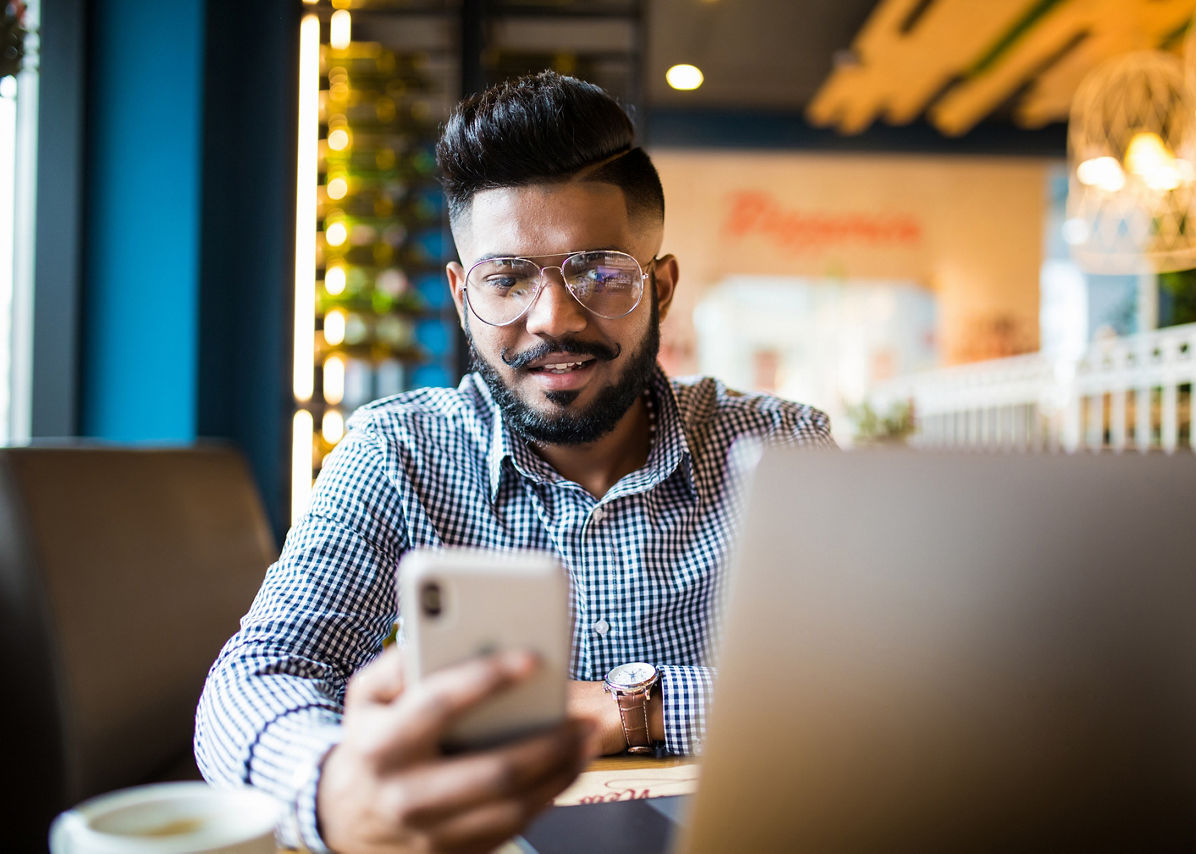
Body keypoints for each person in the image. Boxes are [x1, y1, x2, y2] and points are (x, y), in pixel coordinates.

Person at [195, 70, 835, 852]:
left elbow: (876, 680)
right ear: (464, 294)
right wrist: (332, 788)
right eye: (507, 279)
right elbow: (253, 678)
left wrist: (626, 706)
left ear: (660, 289)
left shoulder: (784, 448)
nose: (554, 319)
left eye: (600, 273)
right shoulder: (398, 451)